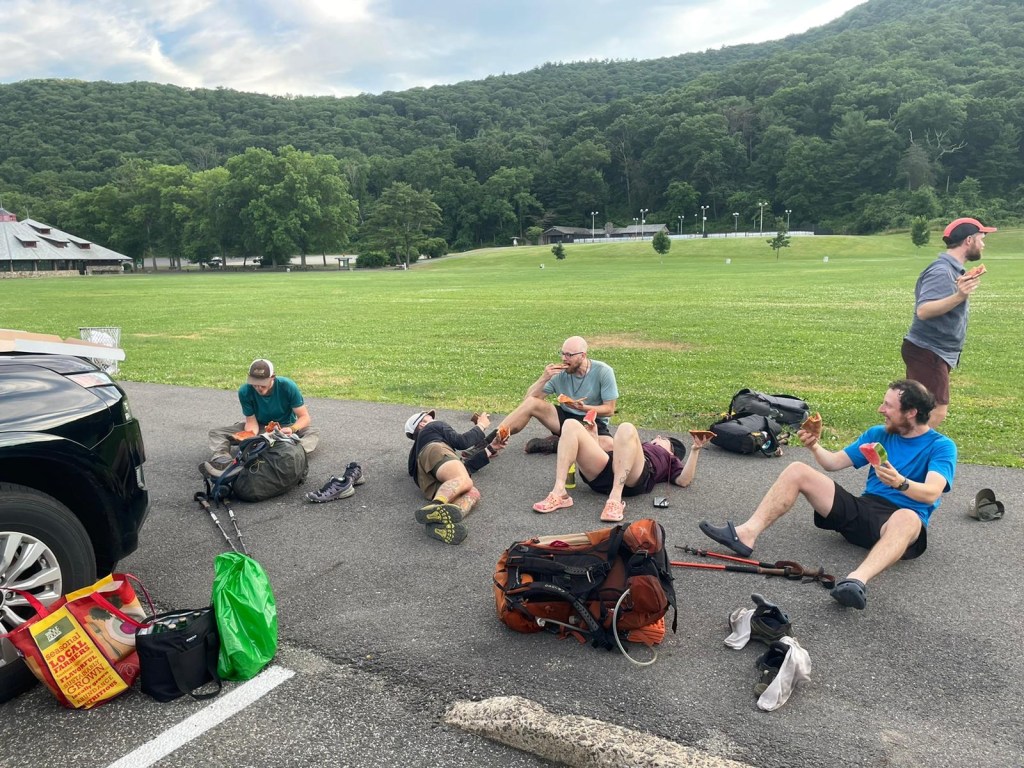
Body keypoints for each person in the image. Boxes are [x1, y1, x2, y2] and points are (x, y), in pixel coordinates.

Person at [699, 379, 956, 611]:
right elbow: (833, 463)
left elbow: (931, 493)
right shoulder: (878, 434)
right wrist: (814, 446)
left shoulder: (941, 446)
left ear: (911, 412)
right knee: (797, 470)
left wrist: (901, 483)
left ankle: (856, 581)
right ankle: (746, 534)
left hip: (899, 524)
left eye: (888, 406)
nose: (881, 409)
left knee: (908, 517)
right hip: (864, 509)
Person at [902, 217, 995, 427]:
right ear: (969, 240)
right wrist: (959, 296)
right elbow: (924, 311)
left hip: (933, 351)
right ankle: (905, 446)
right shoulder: (941, 271)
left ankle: (898, 443)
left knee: (916, 411)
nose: (983, 244)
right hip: (928, 350)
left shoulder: (952, 270)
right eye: (981, 238)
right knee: (935, 411)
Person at [531, 419, 710, 522]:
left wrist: (695, 450)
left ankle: (615, 499)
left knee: (626, 427)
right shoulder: (639, 444)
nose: (657, 437)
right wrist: (593, 437)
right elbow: (602, 453)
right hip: (608, 468)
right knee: (570, 424)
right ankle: (559, 492)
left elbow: (684, 480)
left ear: (671, 450)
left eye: (663, 438)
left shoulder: (669, 458)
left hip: (634, 477)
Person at [496, 336, 619, 453]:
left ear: (583, 356)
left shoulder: (603, 371)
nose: (564, 358)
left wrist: (583, 408)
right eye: (562, 353)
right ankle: (493, 441)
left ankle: (555, 444)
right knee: (532, 403)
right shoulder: (558, 373)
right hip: (564, 419)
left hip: (592, 422)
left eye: (569, 355)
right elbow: (527, 402)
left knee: (610, 446)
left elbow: (609, 410)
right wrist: (544, 378)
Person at [201, 358, 320, 477]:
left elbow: (304, 417)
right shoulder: (245, 391)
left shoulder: (287, 386)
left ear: (272, 377)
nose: (258, 387)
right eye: (255, 383)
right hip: (260, 427)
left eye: (262, 383)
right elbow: (251, 421)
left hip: (285, 428)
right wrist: (251, 437)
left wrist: (292, 429)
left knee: (312, 432)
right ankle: (223, 461)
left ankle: (288, 455)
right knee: (216, 433)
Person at [406, 409, 506, 545]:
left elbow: (463, 469)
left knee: (471, 491)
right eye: (429, 418)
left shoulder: (417, 453)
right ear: (422, 424)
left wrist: (491, 448)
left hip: (424, 480)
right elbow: (461, 441)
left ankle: (437, 524)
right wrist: (481, 425)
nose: (434, 419)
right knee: (463, 480)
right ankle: (436, 506)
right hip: (436, 450)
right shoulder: (433, 426)